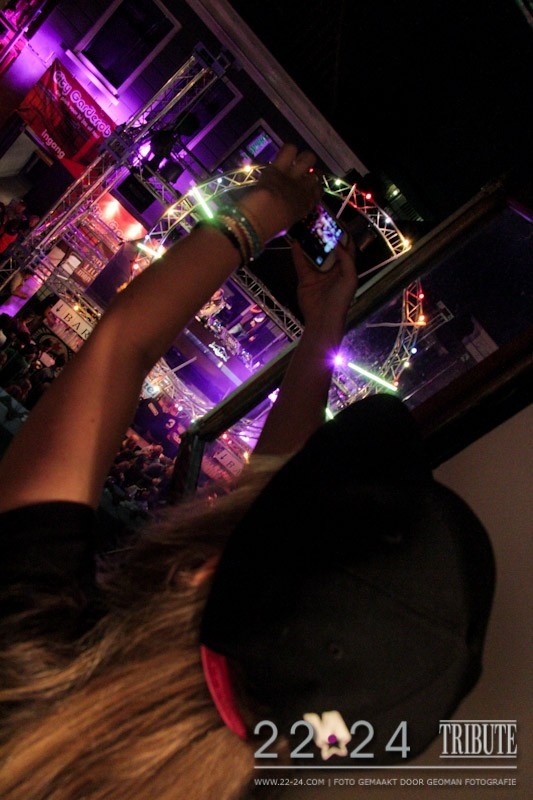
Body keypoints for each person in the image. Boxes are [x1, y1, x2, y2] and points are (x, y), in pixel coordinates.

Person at [0, 145, 495, 800]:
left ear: (202, 571)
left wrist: (255, 216)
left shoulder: (24, 649)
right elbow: (268, 501)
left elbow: (123, 346)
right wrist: (324, 321)